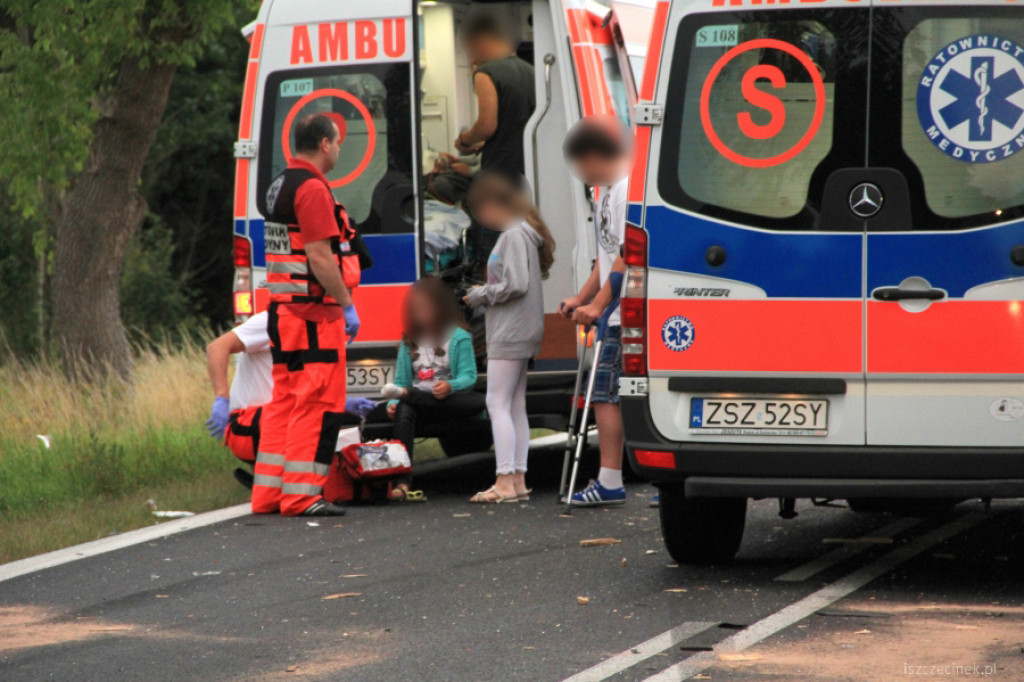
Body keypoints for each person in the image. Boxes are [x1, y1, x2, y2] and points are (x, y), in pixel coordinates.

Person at [251, 113, 361, 517]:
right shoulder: (313, 189)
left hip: (284, 312)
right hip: (315, 317)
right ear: (326, 144)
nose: (339, 150)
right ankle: (300, 496)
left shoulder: (279, 184)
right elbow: (319, 255)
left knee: (284, 403)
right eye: (338, 142)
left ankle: (269, 495)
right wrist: (346, 306)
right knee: (316, 405)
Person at [463, 170, 556, 503]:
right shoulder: (526, 233)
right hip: (524, 328)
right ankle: (517, 477)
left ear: (491, 204)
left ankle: (504, 481)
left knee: (496, 403)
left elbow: (515, 284)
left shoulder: (512, 236)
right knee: (515, 404)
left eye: (479, 210)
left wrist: (480, 295)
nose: (481, 219)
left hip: (509, 330)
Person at [204, 312, 375, 488]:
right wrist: (222, 398)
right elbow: (217, 348)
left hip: (275, 420)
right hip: (248, 427)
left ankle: (281, 484)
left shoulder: (311, 328)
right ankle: (279, 483)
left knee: (339, 417)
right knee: (309, 417)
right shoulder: (270, 321)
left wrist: (341, 404)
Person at [558, 116, 632, 507]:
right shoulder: (602, 193)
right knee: (615, 393)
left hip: (627, 310)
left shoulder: (624, 191)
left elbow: (626, 255)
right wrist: (580, 297)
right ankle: (616, 478)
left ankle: (610, 480)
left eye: (579, 163)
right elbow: (601, 259)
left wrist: (600, 304)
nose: (579, 173)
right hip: (612, 310)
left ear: (592, 156)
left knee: (607, 393)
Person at [380, 277, 487, 502]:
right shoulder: (409, 340)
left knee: (479, 402)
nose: (419, 314)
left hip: (450, 402)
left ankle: (409, 398)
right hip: (420, 405)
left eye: (424, 308)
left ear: (440, 307)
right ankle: (402, 481)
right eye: (414, 310)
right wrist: (392, 403)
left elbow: (469, 377)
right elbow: (401, 381)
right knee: (403, 408)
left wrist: (450, 386)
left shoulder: (459, 337)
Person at [455, 12, 535, 177]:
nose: (472, 61)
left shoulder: (486, 73)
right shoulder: (529, 70)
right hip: (529, 164)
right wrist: (485, 144)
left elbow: (486, 127)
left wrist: (464, 140)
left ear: (482, 41)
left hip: (501, 167)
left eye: (471, 51)